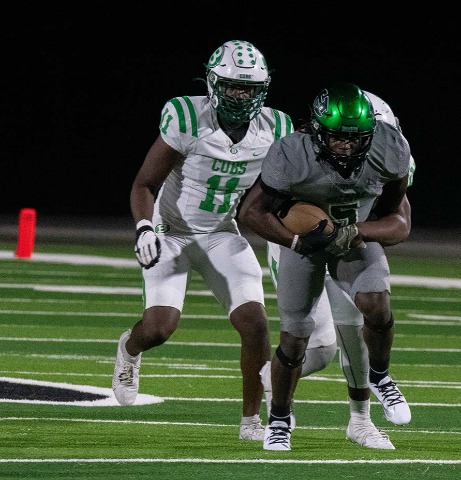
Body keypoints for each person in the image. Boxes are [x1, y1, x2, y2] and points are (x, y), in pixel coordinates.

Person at [111, 39, 294, 442]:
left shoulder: (277, 128)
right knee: (159, 329)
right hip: (171, 231)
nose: (240, 96)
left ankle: (251, 422)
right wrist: (144, 228)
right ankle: (130, 349)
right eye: (232, 86)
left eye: (249, 88)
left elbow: (282, 189)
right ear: (212, 82)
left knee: (255, 325)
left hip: (221, 232)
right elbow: (144, 183)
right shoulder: (186, 117)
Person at [238, 82, 412, 451]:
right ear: (317, 131)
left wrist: (356, 232)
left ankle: (374, 391)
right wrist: (296, 240)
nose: (348, 146)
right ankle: (279, 418)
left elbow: (398, 221)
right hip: (304, 244)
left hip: (351, 240)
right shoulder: (292, 153)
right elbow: (253, 211)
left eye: (358, 137)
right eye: (338, 137)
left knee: (373, 306)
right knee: (300, 339)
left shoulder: (390, 148)